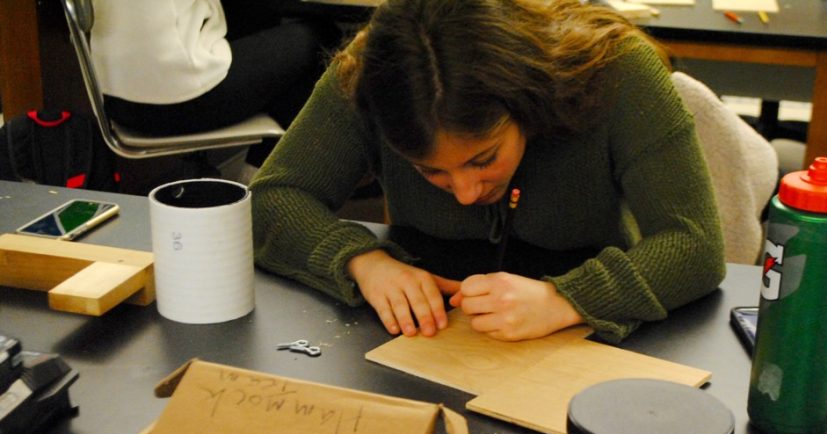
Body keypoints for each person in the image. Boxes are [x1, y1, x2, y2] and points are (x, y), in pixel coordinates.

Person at [250, 0, 726, 343]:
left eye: (483, 159)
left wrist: (570, 299)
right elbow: (274, 197)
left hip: (589, 332)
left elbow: (694, 242)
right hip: (424, 333)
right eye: (428, 171)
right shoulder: (368, 79)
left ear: (527, 101)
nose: (464, 193)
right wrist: (363, 262)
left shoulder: (617, 70)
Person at [89, 0, 339, 173]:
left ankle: (268, 178)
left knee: (258, 21)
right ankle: (262, 189)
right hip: (175, 99)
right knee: (321, 39)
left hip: (115, 96)